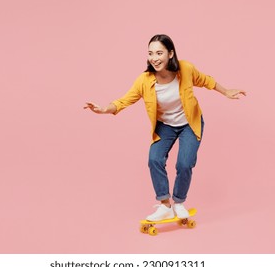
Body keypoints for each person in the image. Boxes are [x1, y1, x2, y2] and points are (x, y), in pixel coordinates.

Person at [84, 34, 246, 221]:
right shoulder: (144, 80)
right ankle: (165, 205)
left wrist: (227, 91)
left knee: (185, 163)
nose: (154, 58)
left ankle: (178, 202)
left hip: (190, 122)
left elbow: (205, 80)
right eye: (151, 53)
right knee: (154, 159)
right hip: (165, 126)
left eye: (159, 53)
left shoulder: (185, 69)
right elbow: (123, 101)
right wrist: (104, 109)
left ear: (170, 53)